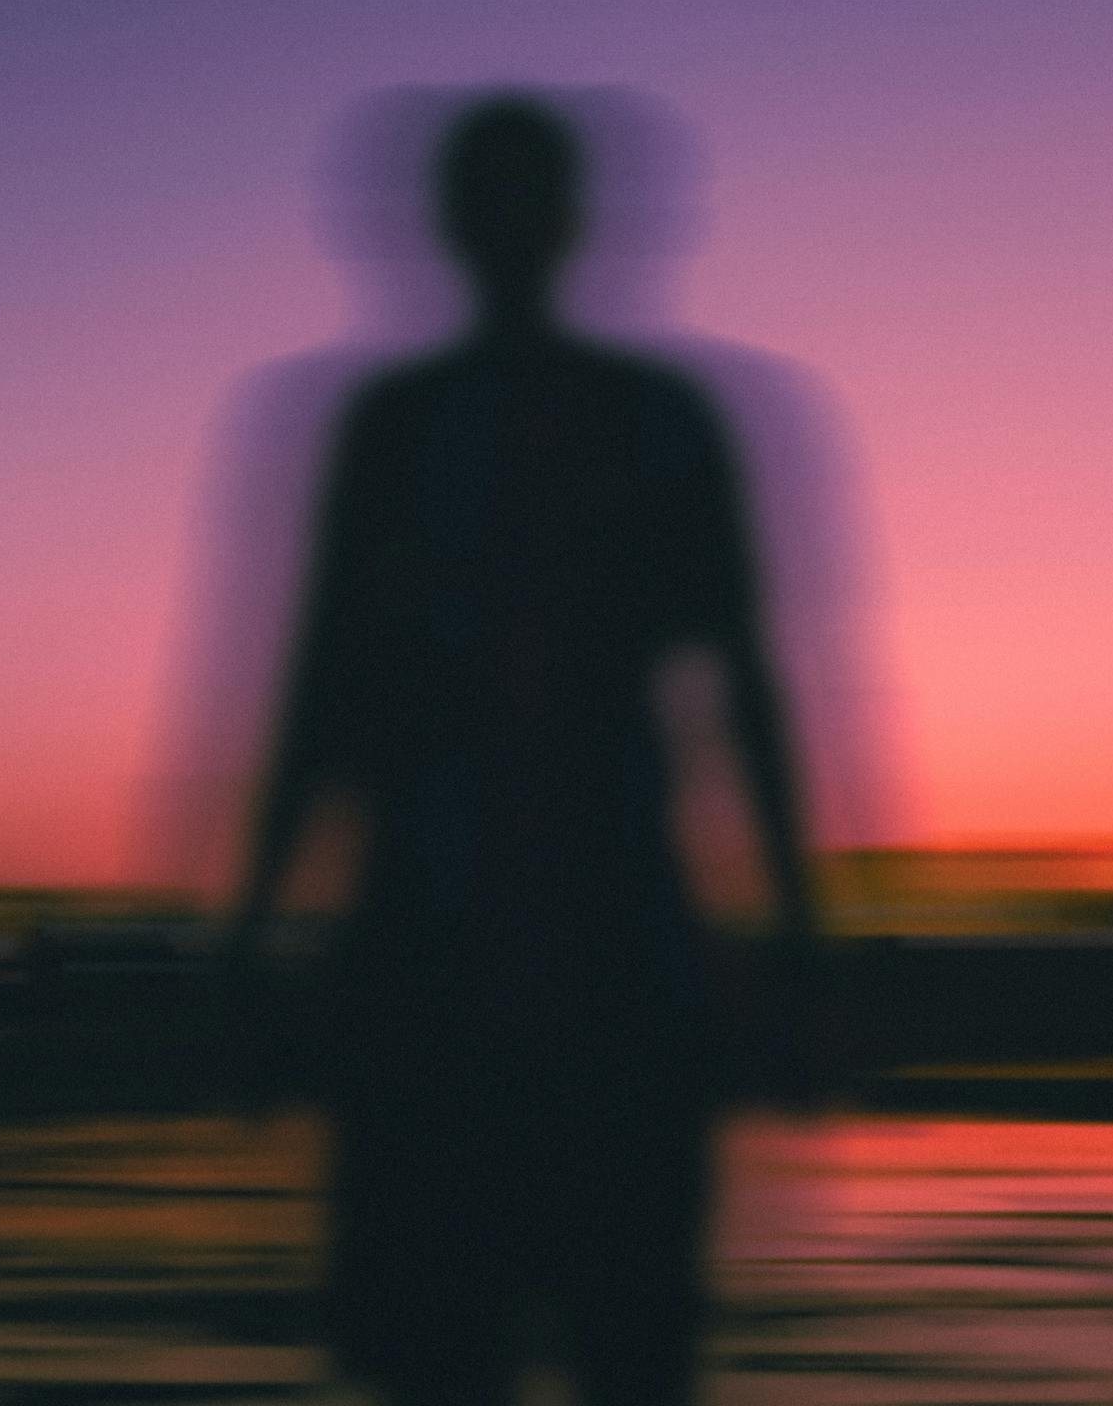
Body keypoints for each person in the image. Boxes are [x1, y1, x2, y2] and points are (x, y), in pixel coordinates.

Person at [223, 93, 821, 1406]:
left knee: (604, 1341)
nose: (501, 226)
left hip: (575, 955)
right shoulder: (444, 427)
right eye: (484, 197)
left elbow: (746, 684)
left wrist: (799, 941)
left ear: (555, 221)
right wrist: (257, 938)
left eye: (517, 196)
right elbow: (318, 692)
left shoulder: (626, 422)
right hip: (463, 961)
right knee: (496, 1346)